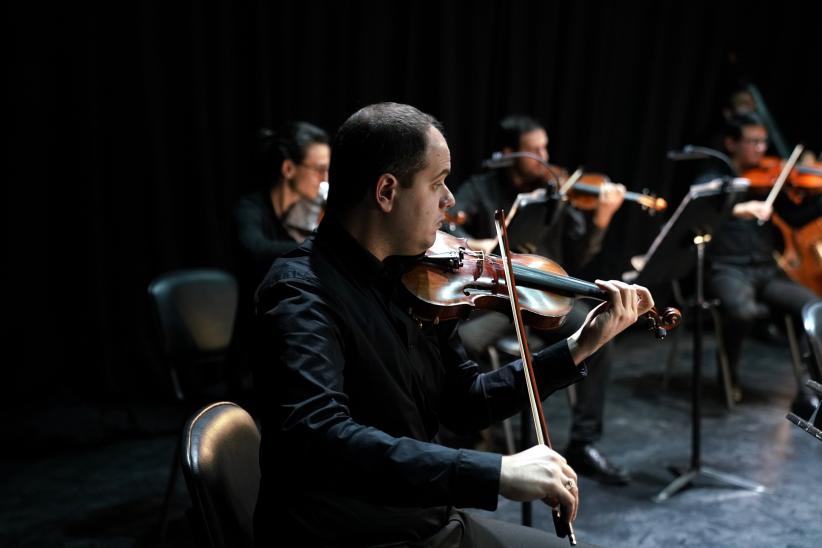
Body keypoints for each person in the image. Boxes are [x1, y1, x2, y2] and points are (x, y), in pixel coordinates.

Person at [252, 102, 655, 547]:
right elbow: (320, 437)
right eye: (438, 183)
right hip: (359, 534)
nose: (450, 200)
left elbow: (466, 402)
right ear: (386, 192)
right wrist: (496, 471)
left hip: (426, 518)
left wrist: (579, 345)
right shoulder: (300, 293)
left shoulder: (415, 279)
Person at [449, 115, 631, 485]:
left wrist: (601, 220)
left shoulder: (552, 193)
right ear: (507, 154)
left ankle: (583, 442)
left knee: (599, 334)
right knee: (465, 342)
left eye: (545, 148)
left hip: (545, 294)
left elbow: (577, 259)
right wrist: (478, 244)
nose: (545, 157)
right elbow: (449, 223)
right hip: (496, 294)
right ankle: (478, 430)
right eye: (534, 151)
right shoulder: (480, 188)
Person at [699, 112, 821, 412]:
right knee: (741, 312)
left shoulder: (770, 181)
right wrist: (738, 208)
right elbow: (701, 214)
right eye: (753, 142)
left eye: (763, 142)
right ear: (731, 143)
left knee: (814, 307)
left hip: (765, 271)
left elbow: (795, 217)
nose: (761, 149)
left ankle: (809, 390)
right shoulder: (714, 178)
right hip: (727, 269)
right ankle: (728, 378)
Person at [228, 122, 330, 403]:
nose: (326, 178)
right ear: (288, 169)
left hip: (298, 343)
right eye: (320, 169)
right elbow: (255, 250)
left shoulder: (307, 215)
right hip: (257, 355)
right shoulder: (251, 209)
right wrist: (322, 247)